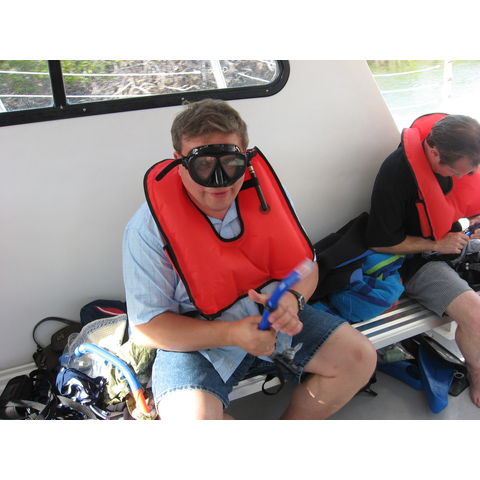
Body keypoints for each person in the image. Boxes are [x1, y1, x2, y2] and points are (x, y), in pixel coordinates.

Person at [123, 98, 376, 420]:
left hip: (273, 318)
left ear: (245, 157)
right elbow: (146, 329)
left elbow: (306, 266)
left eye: (231, 163)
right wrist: (230, 334)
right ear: (179, 162)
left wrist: (294, 300)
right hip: (198, 339)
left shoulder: (267, 201)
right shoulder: (147, 230)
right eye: (203, 165)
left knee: (359, 358)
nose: (220, 182)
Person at [366, 112, 480, 407]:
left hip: (457, 242)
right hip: (418, 261)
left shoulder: (462, 157)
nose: (459, 178)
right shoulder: (396, 174)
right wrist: (436, 244)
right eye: (455, 172)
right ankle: (477, 372)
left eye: (466, 173)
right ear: (433, 151)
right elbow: (380, 242)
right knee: (475, 314)